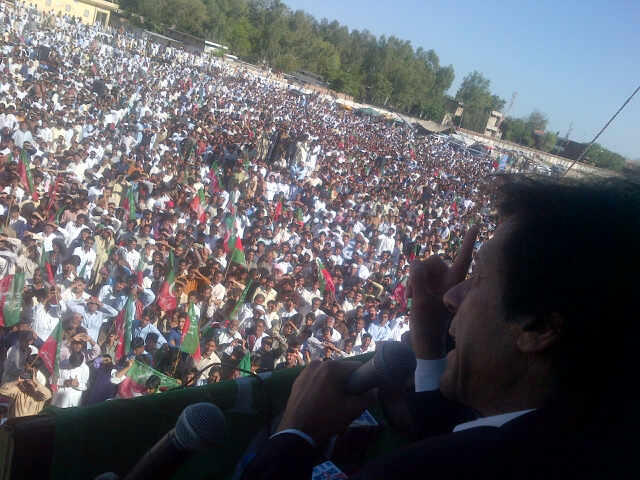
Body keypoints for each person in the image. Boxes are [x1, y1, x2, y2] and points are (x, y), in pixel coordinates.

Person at [241, 177, 638, 479]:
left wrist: (295, 435)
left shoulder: (433, 470)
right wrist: (430, 345)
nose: (452, 297)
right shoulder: (591, 436)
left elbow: (451, 456)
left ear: (535, 328)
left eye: (480, 277)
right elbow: (460, 436)